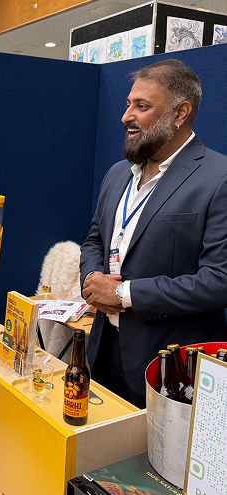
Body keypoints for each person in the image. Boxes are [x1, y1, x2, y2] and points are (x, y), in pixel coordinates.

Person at [80, 59, 227, 409]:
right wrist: (91, 278)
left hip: (168, 368)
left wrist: (124, 294)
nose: (126, 116)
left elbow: (219, 280)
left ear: (180, 113)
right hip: (103, 351)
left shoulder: (219, 178)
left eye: (141, 107)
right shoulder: (118, 174)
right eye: (129, 104)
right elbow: (95, 241)